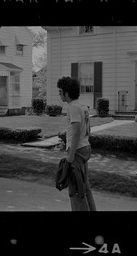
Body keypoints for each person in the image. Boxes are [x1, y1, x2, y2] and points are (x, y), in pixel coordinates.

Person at [57, 76, 96, 211]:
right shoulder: (83, 106)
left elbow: (77, 132)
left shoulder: (73, 107)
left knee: (75, 189)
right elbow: (88, 130)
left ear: (66, 93)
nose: (59, 94)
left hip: (77, 151)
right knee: (84, 186)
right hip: (85, 147)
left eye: (60, 91)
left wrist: (71, 154)